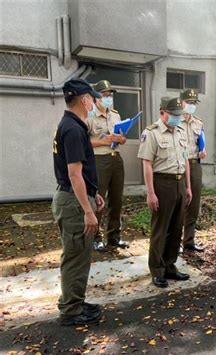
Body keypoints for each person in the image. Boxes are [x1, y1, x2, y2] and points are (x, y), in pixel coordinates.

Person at [52, 79, 105, 326]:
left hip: (76, 198)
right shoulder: (72, 129)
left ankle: (75, 301)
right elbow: (74, 173)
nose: (95, 102)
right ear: (84, 100)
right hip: (73, 203)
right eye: (93, 98)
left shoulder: (71, 125)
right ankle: (71, 311)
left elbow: (81, 173)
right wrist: (87, 210)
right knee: (75, 256)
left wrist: (94, 193)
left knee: (80, 254)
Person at [138, 97, 193, 288]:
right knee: (160, 229)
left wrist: (188, 187)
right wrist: (150, 192)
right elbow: (147, 163)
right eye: (173, 115)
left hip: (179, 183)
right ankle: (157, 270)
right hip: (162, 183)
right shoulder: (151, 133)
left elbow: (186, 160)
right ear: (162, 113)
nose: (177, 118)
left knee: (177, 228)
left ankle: (170, 265)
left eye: (179, 115)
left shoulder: (180, 132)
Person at [86, 79, 128, 251]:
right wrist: (104, 141)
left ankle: (114, 237)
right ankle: (95, 238)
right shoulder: (89, 117)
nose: (108, 98)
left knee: (116, 200)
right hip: (99, 161)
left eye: (110, 95)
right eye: (105, 95)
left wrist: (120, 139)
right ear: (96, 98)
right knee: (99, 200)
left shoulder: (115, 115)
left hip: (116, 159)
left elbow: (123, 138)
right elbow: (83, 142)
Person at [179, 88, 207, 252]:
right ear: (181, 102)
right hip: (180, 165)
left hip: (195, 164)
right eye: (188, 102)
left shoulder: (198, 122)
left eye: (194, 103)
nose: (191, 106)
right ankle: (174, 242)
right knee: (179, 204)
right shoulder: (175, 121)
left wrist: (203, 152)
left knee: (193, 205)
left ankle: (188, 241)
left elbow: (201, 142)